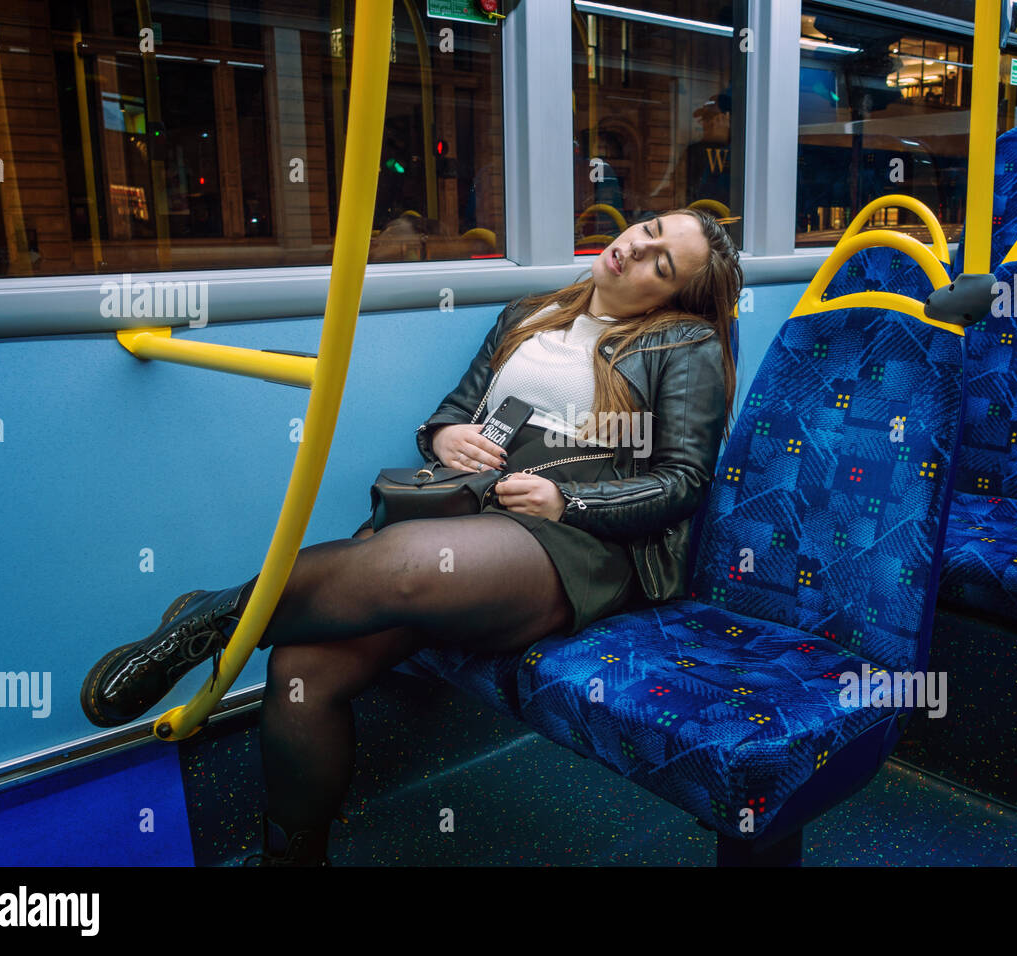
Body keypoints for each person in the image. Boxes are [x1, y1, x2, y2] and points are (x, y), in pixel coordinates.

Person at [79, 207, 743, 865]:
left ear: (674, 296)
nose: (636, 249)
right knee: (302, 668)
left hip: (573, 540)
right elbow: (454, 413)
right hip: (472, 500)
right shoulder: (528, 313)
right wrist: (447, 435)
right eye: (649, 231)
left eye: (662, 264)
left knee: (407, 565)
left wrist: (568, 501)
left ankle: (214, 614)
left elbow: (684, 480)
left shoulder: (683, 344)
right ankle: (292, 859)